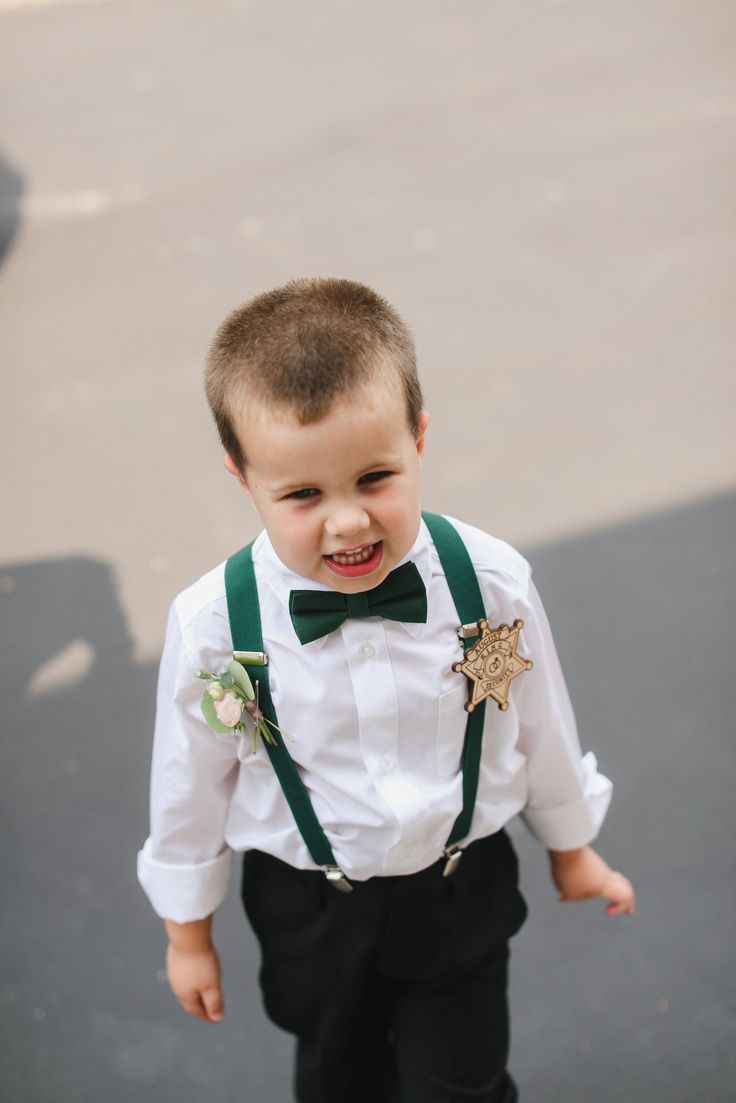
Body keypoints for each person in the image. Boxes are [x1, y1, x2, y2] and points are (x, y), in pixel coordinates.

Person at [137, 277, 634, 1103]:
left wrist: (573, 848)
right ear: (243, 479)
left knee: (465, 1087)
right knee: (339, 1085)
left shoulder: (488, 581)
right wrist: (187, 934)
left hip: (458, 884)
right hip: (310, 906)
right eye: (301, 494)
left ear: (420, 438)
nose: (348, 522)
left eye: (375, 477)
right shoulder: (215, 625)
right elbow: (186, 785)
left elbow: (540, 725)